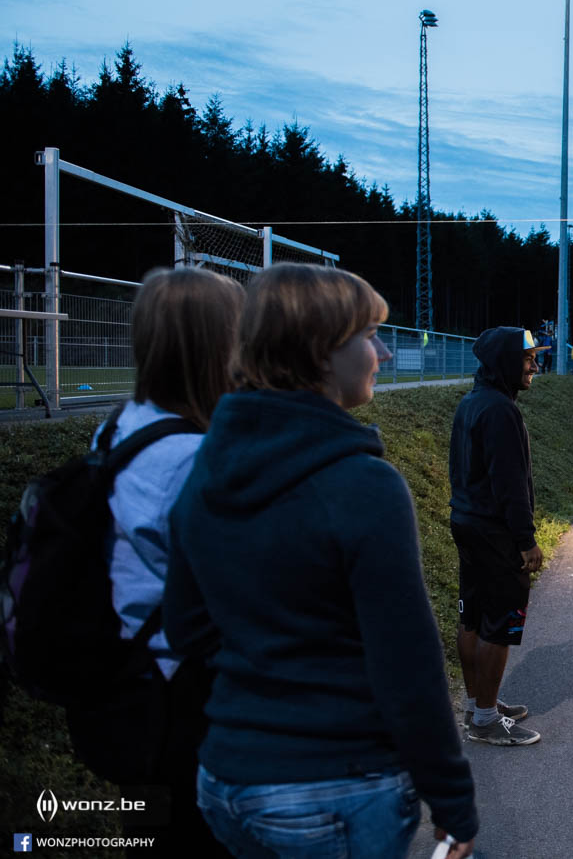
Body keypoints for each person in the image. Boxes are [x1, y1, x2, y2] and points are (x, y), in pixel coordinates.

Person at [165, 263, 477, 859]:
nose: (383, 350)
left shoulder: (209, 464)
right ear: (319, 352)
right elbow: (406, 665)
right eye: (368, 334)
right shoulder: (362, 485)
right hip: (334, 785)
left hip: (227, 779)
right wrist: (453, 801)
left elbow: (185, 626)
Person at [93, 267, 242, 855]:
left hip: (130, 672)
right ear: (218, 347)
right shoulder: (192, 458)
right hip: (185, 693)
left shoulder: (120, 427)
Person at [449, 327, 545, 745]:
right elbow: (510, 485)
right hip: (496, 532)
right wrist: (526, 540)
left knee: (471, 616)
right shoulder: (502, 411)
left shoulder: (471, 403)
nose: (533, 367)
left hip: (467, 523)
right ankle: (486, 721)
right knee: (498, 624)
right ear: (506, 361)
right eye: (527, 360)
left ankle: (477, 704)